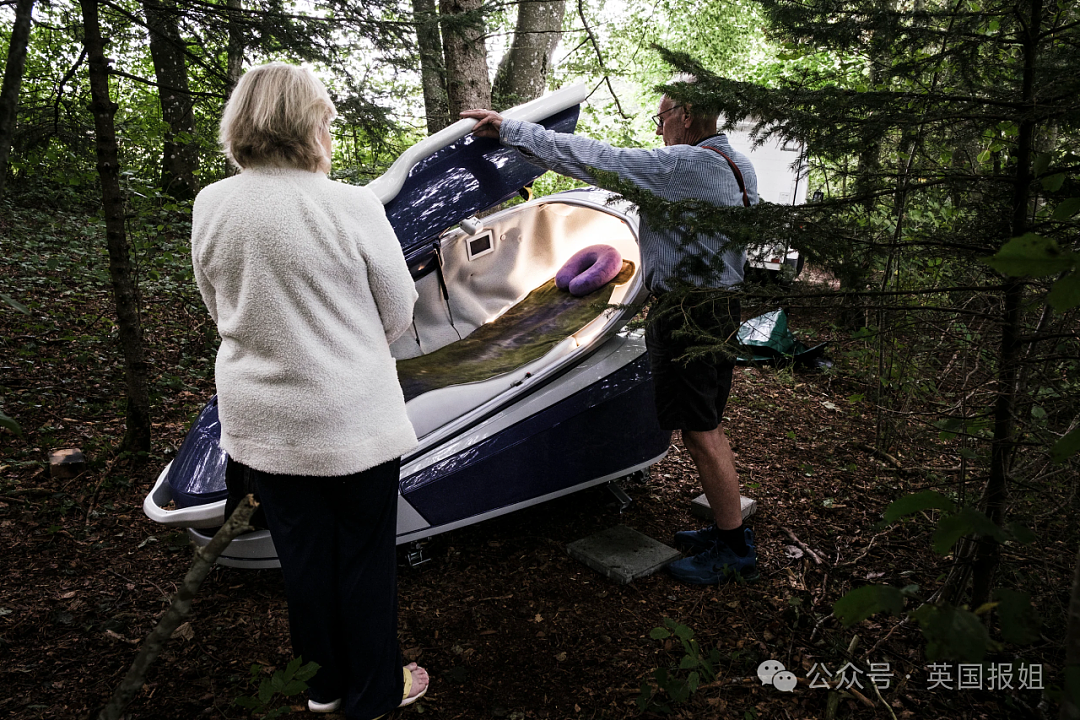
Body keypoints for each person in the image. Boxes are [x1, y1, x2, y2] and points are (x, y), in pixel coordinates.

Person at [191, 62, 429, 718]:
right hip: (351, 418)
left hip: (263, 424)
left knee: (303, 564)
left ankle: (323, 689)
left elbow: (220, 309)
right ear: (308, 124)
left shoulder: (211, 203)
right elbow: (399, 308)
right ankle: (376, 693)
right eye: (324, 116)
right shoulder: (351, 205)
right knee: (364, 562)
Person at [461, 76, 759, 586]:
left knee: (700, 431)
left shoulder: (684, 165)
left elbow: (598, 158)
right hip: (718, 310)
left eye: (663, 117)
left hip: (689, 317)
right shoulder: (737, 164)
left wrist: (511, 129)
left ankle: (734, 547)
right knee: (704, 425)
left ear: (686, 116)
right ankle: (727, 530)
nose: (660, 128)